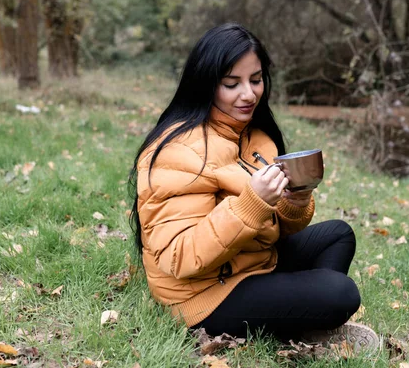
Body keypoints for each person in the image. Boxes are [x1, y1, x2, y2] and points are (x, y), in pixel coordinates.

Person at [129, 22, 379, 350]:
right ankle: (301, 319)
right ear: (205, 84)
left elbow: (276, 228)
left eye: (256, 80)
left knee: (338, 235)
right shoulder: (178, 150)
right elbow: (180, 257)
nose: (249, 94)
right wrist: (252, 202)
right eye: (232, 84)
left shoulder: (255, 137)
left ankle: (302, 323)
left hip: (249, 262)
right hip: (203, 294)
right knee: (341, 293)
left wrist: (295, 198)